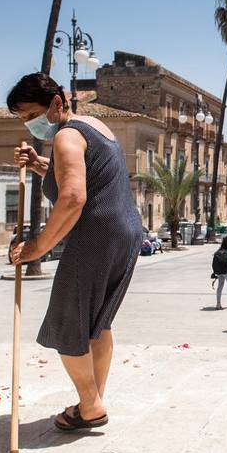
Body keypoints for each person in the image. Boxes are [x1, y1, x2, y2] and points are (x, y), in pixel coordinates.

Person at [8, 72, 143, 431]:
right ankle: (91, 402)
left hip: (95, 234)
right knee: (97, 325)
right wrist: (39, 163)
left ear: (56, 103)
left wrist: (38, 247)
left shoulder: (67, 136)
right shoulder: (92, 126)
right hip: (124, 232)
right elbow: (82, 176)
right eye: (22, 119)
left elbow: (72, 197)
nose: (29, 124)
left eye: (30, 114)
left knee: (67, 323)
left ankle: (90, 404)